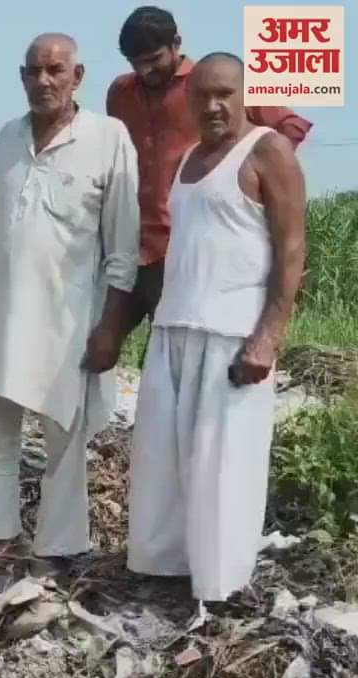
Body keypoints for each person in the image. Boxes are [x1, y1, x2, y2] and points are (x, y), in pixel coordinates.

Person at [0, 34, 140, 574]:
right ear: (22, 76)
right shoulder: (7, 139)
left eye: (55, 70)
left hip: (69, 321)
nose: (44, 81)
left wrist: (111, 327)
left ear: (77, 76)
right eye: (34, 71)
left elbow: (122, 247)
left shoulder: (108, 139)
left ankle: (56, 551)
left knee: (65, 440)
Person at [127, 53, 306, 603]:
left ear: (246, 94)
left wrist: (268, 336)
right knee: (162, 460)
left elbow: (292, 248)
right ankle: (163, 570)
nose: (213, 105)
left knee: (222, 468)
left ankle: (220, 585)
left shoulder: (268, 150)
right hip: (176, 327)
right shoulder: (187, 161)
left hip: (232, 335)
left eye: (225, 93)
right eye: (202, 94)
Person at [107, 5, 312, 340]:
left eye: (153, 59)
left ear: (176, 43)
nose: (145, 71)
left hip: (184, 250)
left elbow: (289, 125)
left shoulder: (212, 86)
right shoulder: (120, 93)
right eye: (136, 62)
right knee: (97, 346)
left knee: (173, 356)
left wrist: (253, 173)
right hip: (130, 247)